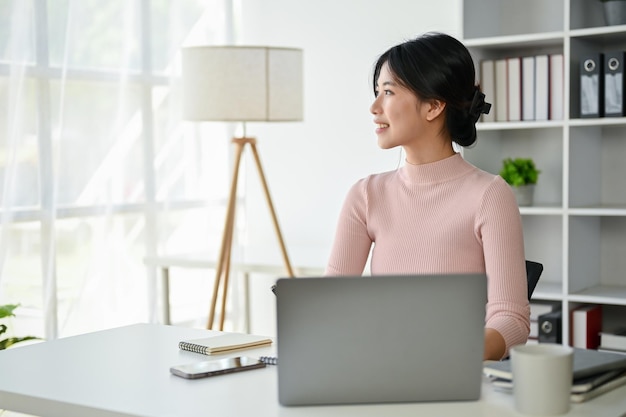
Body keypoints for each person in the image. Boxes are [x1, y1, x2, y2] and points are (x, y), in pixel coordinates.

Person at [325, 32, 530, 361]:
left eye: (388, 92)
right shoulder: (365, 195)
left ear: (433, 106)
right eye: (376, 92)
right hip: (380, 367)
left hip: (453, 378)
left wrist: (448, 354)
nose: (374, 107)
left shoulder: (490, 195)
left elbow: (512, 321)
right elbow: (330, 304)